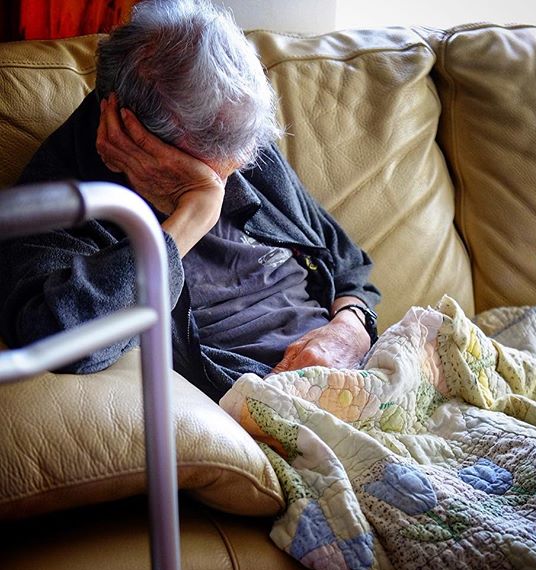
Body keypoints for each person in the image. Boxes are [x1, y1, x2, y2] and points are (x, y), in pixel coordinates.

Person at [0, 0, 380, 402]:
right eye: (212, 166)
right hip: (274, 397)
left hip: (359, 370)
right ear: (130, 132)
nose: (234, 175)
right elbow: (61, 339)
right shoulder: (68, 194)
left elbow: (347, 261)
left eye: (243, 157)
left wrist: (351, 328)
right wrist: (192, 216)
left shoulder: (237, 139)